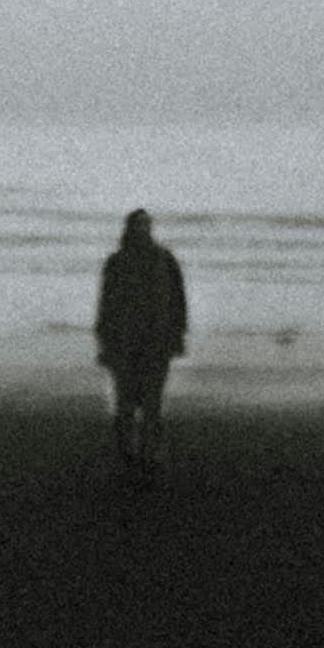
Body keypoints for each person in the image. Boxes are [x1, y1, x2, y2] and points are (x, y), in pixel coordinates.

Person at [94, 206, 188, 481]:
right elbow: (106, 304)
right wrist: (104, 341)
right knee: (125, 401)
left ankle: (148, 452)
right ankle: (129, 452)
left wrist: (178, 334)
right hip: (125, 341)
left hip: (155, 341)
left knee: (151, 402)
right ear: (129, 228)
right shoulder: (118, 262)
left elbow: (178, 301)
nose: (143, 230)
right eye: (139, 225)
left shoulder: (163, 259)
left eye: (146, 225)